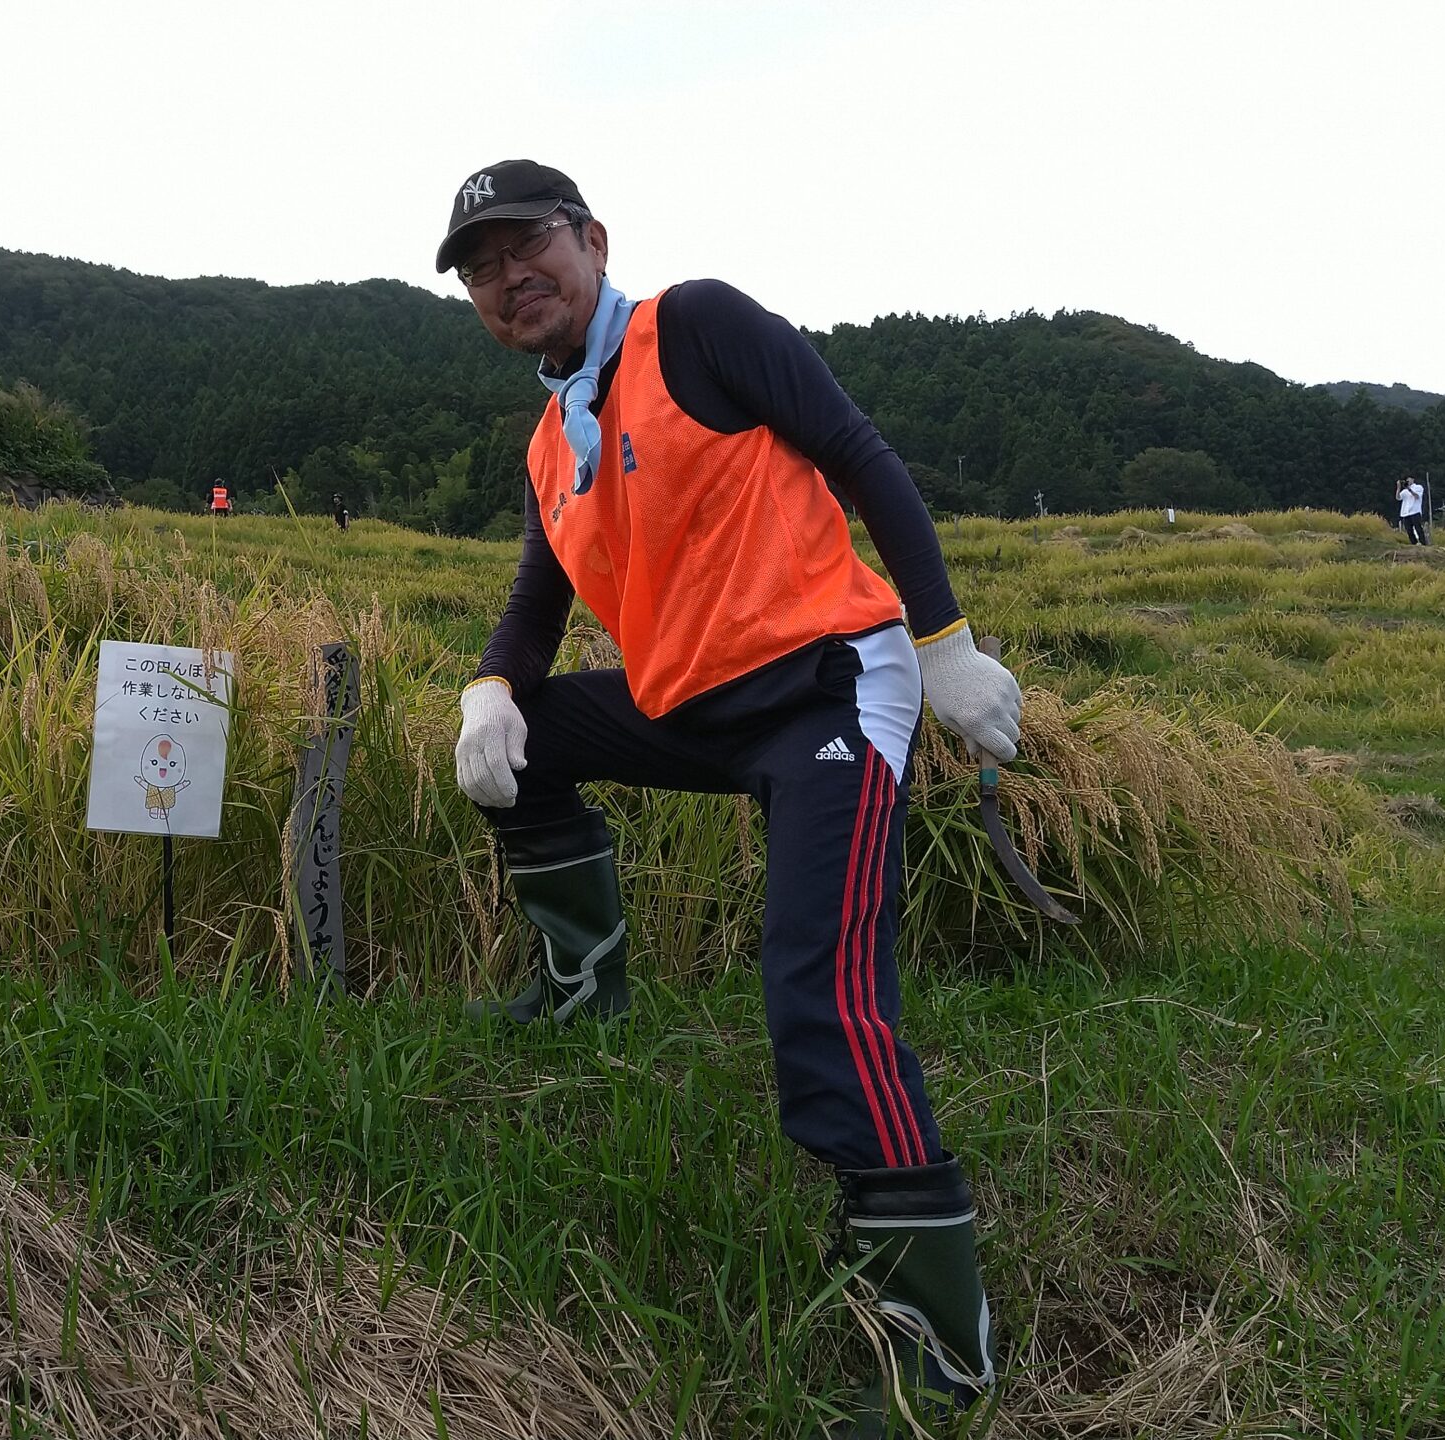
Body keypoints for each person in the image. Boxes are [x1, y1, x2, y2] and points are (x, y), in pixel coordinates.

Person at [436, 160, 1020, 1434]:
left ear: (591, 239)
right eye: (478, 267)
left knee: (817, 995)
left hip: (825, 689)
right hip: (694, 706)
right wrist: (492, 688)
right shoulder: (554, 439)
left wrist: (944, 642)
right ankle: (583, 985)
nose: (505, 277)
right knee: (514, 736)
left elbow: (859, 454)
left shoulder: (692, 327)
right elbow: (538, 608)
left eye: (526, 244)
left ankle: (941, 1347)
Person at [1397, 475, 1430, 545]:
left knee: (1418, 528)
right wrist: (1398, 488)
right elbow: (1398, 498)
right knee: (1409, 530)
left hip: (1415, 511)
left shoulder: (1418, 487)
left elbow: (1417, 496)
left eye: (1409, 480)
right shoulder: (1404, 491)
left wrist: (1409, 489)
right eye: (1407, 481)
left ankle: (1423, 542)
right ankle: (1414, 543)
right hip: (1405, 512)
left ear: (1413, 479)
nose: (1408, 482)